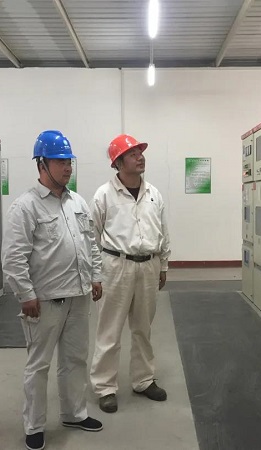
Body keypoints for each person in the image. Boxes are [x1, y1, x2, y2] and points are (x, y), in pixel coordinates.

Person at [2, 130, 103, 450]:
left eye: (69, 161)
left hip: (79, 295)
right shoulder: (25, 207)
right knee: (39, 365)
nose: (67, 167)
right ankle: (34, 425)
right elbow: (13, 257)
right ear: (41, 164)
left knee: (75, 358)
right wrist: (26, 294)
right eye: (60, 161)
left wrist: (95, 276)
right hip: (45, 300)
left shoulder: (78, 202)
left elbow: (90, 243)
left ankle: (74, 413)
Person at [90, 133, 171, 413]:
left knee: (143, 329)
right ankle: (105, 387)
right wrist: (95, 274)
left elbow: (163, 231)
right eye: (133, 154)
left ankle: (143, 379)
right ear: (118, 162)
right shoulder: (103, 195)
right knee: (109, 330)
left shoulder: (154, 194)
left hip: (149, 265)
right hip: (115, 266)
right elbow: (92, 236)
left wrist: (163, 265)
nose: (140, 157)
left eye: (140, 153)